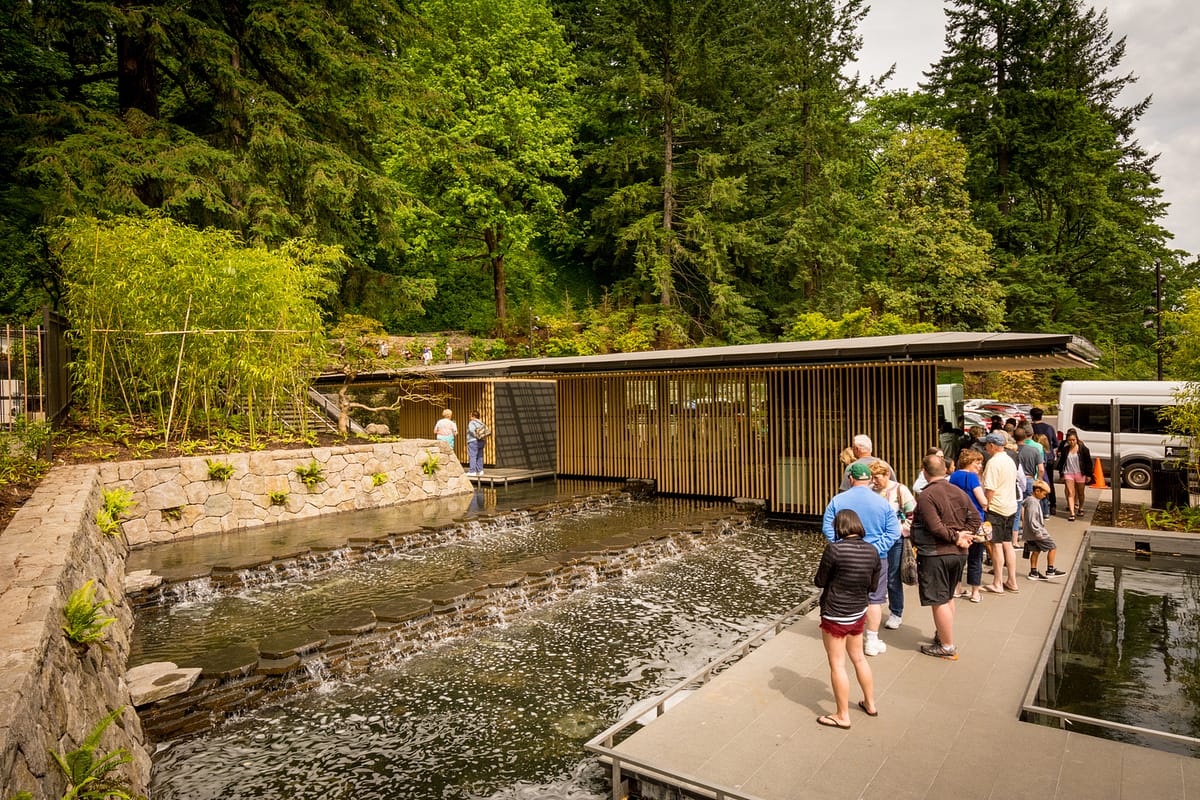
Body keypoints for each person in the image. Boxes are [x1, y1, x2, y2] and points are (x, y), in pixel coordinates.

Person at [822, 462, 901, 657]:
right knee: (875, 599)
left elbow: (827, 527)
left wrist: (840, 545)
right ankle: (871, 641)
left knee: (845, 591)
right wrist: (875, 549)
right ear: (869, 480)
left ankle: (844, 632)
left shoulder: (838, 500)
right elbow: (893, 532)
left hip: (844, 556)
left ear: (850, 479)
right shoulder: (881, 502)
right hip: (876, 557)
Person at [813, 508, 881, 729]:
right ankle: (870, 703)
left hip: (835, 613)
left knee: (837, 664)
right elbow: (872, 586)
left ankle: (842, 715)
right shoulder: (872, 551)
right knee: (859, 658)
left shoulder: (834, 550)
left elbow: (820, 581)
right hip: (858, 611)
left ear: (839, 527)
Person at [911, 453, 979, 660]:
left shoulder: (926, 496)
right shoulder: (958, 491)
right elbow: (975, 517)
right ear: (946, 471)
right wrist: (966, 535)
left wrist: (957, 536)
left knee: (938, 599)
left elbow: (935, 527)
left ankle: (947, 646)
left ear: (924, 472)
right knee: (948, 596)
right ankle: (943, 634)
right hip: (958, 554)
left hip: (935, 553)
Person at [869, 460, 915, 632]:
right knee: (873, 575)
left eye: (877, 477)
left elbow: (912, 513)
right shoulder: (870, 491)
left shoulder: (900, 490)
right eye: (872, 477)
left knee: (893, 577)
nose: (874, 481)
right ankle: (874, 607)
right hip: (874, 539)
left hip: (895, 540)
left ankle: (896, 612)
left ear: (887, 474)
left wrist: (902, 530)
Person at [981, 431, 1020, 594]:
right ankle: (1012, 580)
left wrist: (985, 504)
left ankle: (997, 582)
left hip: (996, 507)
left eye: (986, 444)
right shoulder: (1010, 459)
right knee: (1008, 544)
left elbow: (989, 488)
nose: (985, 447)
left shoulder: (993, 463)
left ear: (991, 445)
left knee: (996, 545)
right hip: (1011, 506)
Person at [948, 449, 988, 603]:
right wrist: (986, 504)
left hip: (957, 520)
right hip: (975, 520)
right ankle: (975, 592)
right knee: (975, 557)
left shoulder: (954, 476)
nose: (979, 466)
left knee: (960, 554)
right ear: (969, 463)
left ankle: (957, 588)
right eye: (977, 463)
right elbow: (982, 500)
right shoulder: (972, 477)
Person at [1022, 481, 1064, 580]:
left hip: (1030, 533)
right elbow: (1032, 520)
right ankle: (1050, 570)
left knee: (1036, 550)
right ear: (1037, 491)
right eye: (1044, 494)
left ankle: (1033, 572)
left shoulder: (1030, 501)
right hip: (1037, 532)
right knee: (1052, 547)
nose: (1044, 496)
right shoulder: (1033, 503)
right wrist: (1038, 532)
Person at [1055, 428, 1094, 521]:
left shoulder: (1083, 449)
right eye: (1069, 440)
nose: (1072, 442)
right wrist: (1061, 473)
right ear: (1067, 440)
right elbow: (1062, 462)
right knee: (1071, 493)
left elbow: (1088, 462)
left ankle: (1080, 507)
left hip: (1080, 473)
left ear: (1077, 439)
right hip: (1068, 473)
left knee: (1080, 493)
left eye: (1073, 440)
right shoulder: (1065, 450)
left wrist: (1089, 474)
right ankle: (1072, 513)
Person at [1030, 407, 1059, 515]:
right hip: (1048, 457)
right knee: (1049, 481)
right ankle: (1052, 504)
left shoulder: (1031, 428)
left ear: (1032, 416)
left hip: (1034, 458)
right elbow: (1056, 443)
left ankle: (1038, 503)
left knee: (1036, 481)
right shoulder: (1049, 428)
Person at [466, 410, 486, 477]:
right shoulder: (481, 423)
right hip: (482, 440)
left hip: (473, 440)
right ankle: (480, 470)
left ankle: (472, 471)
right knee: (480, 455)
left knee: (473, 455)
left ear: (473, 416)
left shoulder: (472, 422)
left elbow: (472, 430)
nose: (469, 416)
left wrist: (476, 435)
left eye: (470, 415)